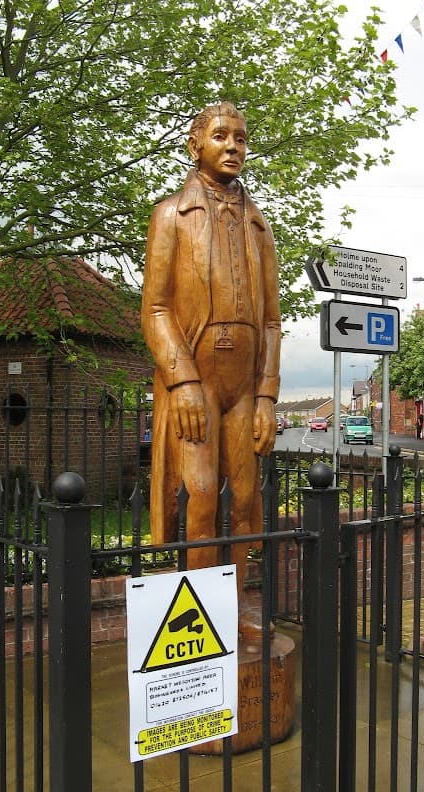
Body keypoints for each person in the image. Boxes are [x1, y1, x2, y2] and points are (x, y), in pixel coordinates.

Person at [141, 102, 281, 638]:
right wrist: (181, 381)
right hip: (195, 379)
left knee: (246, 499)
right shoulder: (171, 215)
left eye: (241, 139)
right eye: (221, 136)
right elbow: (154, 309)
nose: (233, 147)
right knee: (200, 496)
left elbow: (271, 320)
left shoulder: (260, 226)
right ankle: (196, 619)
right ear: (195, 145)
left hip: (243, 385)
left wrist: (267, 396)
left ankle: (236, 607)